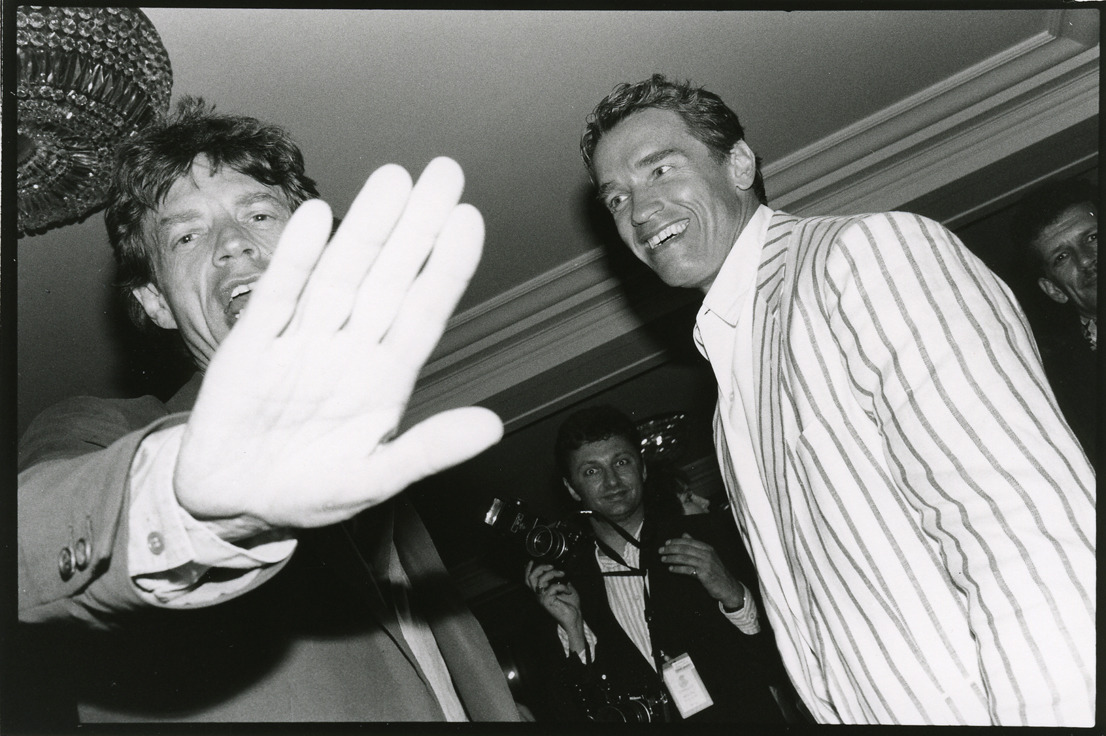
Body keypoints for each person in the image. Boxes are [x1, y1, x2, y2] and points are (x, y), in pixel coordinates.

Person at [579, 74, 1095, 726]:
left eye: (660, 169)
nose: (640, 209)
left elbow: (1026, 532)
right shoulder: (729, 397)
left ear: (738, 164)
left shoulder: (862, 257)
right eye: (617, 198)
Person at [16, 98, 522, 723]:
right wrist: (183, 506)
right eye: (186, 235)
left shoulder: (393, 493)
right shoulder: (103, 431)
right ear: (155, 302)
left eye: (258, 212)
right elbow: (27, 545)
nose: (232, 244)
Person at [524, 405, 797, 724]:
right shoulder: (571, 589)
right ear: (571, 488)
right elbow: (579, 714)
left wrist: (733, 594)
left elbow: (781, 660)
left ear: (641, 469)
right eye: (592, 471)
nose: (612, 481)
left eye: (621, 462)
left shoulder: (708, 537)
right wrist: (572, 631)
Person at [1009, 179, 1098, 466]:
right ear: (1054, 290)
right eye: (1062, 257)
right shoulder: (1058, 389)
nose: (1085, 260)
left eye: (1092, 237)